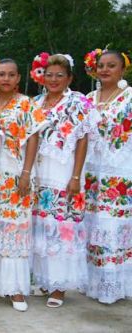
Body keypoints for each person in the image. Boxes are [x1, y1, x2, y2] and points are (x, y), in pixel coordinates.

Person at [31, 54, 99, 308]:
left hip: (64, 173)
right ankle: (46, 280)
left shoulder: (77, 103)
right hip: (40, 174)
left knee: (62, 227)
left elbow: (82, 139)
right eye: (49, 74)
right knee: (43, 226)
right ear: (42, 77)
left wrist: (75, 176)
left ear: (69, 78)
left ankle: (60, 287)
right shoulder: (36, 103)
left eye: (60, 75)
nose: (54, 79)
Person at [0, 57, 46, 311]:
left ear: (19, 78)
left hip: (15, 173)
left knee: (14, 227)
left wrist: (27, 172)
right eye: (1, 74)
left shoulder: (26, 104)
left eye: (11, 74)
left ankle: (16, 289)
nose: (5, 78)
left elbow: (33, 138)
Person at [83, 48, 132, 304]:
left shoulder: (130, 97)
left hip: (120, 173)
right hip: (91, 172)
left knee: (112, 226)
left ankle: (112, 287)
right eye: (101, 65)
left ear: (122, 69)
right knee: (92, 225)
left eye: (111, 65)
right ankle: (91, 282)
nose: (105, 70)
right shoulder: (89, 97)